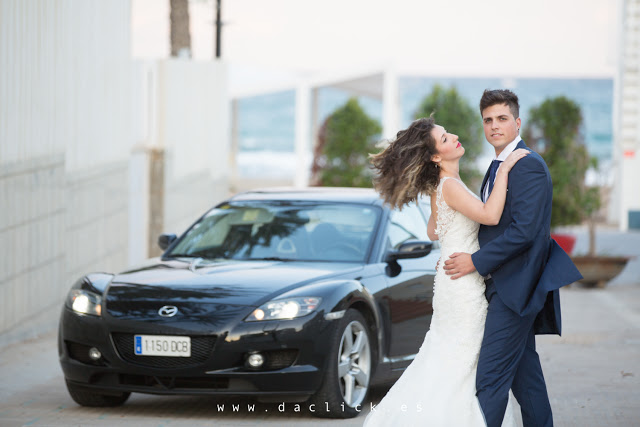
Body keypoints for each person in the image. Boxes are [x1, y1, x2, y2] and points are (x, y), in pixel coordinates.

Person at [364, 115, 528, 426]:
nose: (453, 136)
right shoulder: (449, 185)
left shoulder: (442, 187)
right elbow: (490, 215)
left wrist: (453, 248)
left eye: (447, 131)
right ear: (436, 156)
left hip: (453, 282)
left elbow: (433, 231)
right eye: (444, 138)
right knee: (459, 363)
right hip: (462, 289)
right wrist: (505, 169)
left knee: (447, 358)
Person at [443, 89, 582, 427]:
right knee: (526, 378)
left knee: (489, 380)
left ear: (517, 122)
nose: (494, 126)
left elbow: (525, 232)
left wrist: (476, 262)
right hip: (503, 285)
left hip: (515, 288)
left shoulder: (527, 165)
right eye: (488, 120)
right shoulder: (499, 166)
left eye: (502, 119)